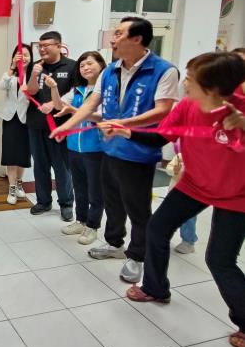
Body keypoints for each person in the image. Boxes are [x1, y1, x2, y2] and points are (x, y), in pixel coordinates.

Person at [108, 52, 245, 347]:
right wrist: (126, 131)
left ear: (213, 88)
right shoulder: (187, 105)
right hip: (195, 184)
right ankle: (155, 288)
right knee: (157, 229)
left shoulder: (240, 109)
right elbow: (161, 136)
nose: (184, 84)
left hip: (238, 196)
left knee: (219, 260)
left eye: (191, 79)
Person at [51, 17, 179, 283]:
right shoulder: (110, 71)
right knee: (112, 202)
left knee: (138, 208)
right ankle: (114, 243)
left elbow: (163, 110)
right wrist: (67, 126)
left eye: (119, 33)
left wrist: (122, 124)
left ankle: (137, 256)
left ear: (137, 39)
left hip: (139, 152)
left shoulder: (164, 70)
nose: (112, 38)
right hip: (108, 149)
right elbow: (91, 105)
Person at [46, 51, 107, 244]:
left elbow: (102, 117)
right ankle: (81, 220)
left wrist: (77, 111)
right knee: (79, 188)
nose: (85, 68)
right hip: (73, 147)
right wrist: (54, 87)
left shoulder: (106, 91)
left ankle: (92, 226)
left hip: (96, 149)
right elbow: (59, 105)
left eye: (90, 63)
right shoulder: (77, 90)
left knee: (95, 191)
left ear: (101, 65)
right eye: (82, 65)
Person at [25, 31, 76, 220]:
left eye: (46, 45)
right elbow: (31, 91)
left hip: (59, 126)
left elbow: (76, 94)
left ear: (59, 46)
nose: (42, 49)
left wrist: (54, 104)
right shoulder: (36, 66)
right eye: (40, 46)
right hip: (36, 124)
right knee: (40, 165)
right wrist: (34, 75)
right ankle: (43, 201)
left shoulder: (72, 66)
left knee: (62, 167)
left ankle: (66, 203)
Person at [0, 44, 32, 204]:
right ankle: (11, 187)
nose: (23, 57)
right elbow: (1, 86)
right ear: (14, 57)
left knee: (23, 154)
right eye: (19, 55)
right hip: (10, 118)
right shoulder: (10, 75)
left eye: (26, 55)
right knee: (11, 154)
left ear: (31, 57)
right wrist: (11, 67)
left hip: (27, 118)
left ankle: (19, 184)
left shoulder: (34, 76)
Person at [164, 148, 197, 254]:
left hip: (191, 196)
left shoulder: (201, 160)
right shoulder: (180, 156)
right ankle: (164, 235)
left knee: (188, 220)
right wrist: (174, 170)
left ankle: (188, 242)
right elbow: (169, 168)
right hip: (174, 194)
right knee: (168, 217)